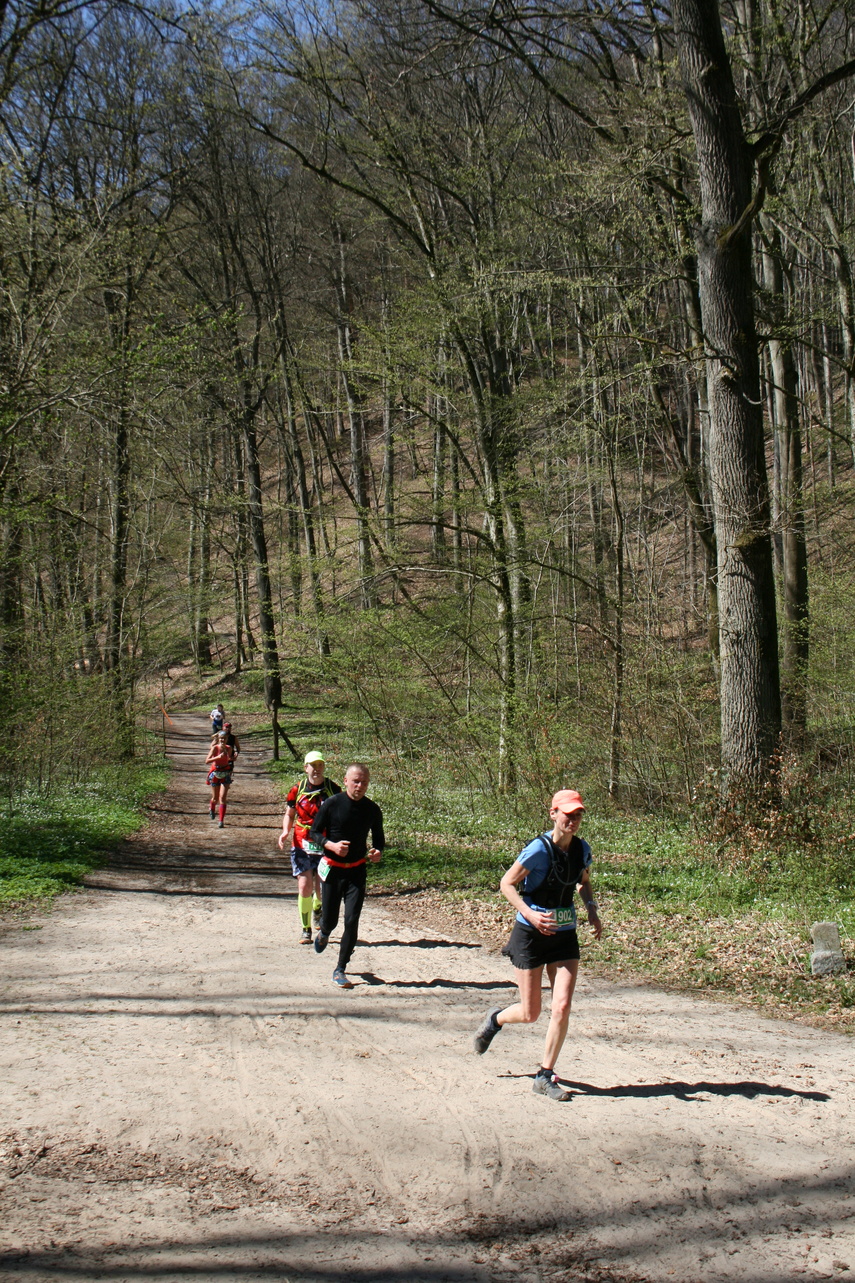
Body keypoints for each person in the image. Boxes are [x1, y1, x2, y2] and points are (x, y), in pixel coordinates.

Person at [472, 789, 602, 1101]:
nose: (573, 820)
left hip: (564, 934)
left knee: (562, 1006)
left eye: (578, 814)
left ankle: (545, 1075)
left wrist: (592, 908)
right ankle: (495, 1019)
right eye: (567, 814)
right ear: (553, 814)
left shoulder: (581, 849)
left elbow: (583, 880)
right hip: (530, 934)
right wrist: (530, 914)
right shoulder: (538, 849)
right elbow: (507, 883)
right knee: (531, 1012)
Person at [309, 763, 384, 989]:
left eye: (364, 782)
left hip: (357, 870)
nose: (360, 786)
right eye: (356, 781)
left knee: (351, 920)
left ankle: (340, 968)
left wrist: (377, 851)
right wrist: (330, 845)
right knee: (331, 920)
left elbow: (379, 839)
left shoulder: (372, 809)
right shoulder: (332, 804)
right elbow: (313, 832)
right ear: (346, 781)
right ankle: (323, 931)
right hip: (333, 869)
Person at [278, 751, 340, 945]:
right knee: (305, 885)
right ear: (306, 768)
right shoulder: (297, 789)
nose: (317, 769)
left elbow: (341, 814)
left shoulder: (333, 789)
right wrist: (285, 832)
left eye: (320, 765)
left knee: (322, 887)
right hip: (301, 841)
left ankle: (317, 909)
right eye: (313, 766)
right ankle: (306, 929)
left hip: (324, 842)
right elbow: (289, 814)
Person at [205, 733, 235, 828]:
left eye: (224, 739)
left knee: (222, 798)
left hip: (225, 773)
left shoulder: (229, 748)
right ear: (218, 739)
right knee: (215, 798)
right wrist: (218, 757)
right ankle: (212, 807)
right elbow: (207, 761)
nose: (222, 740)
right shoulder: (215, 748)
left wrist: (233, 758)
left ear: (227, 739)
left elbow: (228, 759)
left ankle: (221, 821)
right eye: (221, 738)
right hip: (216, 773)